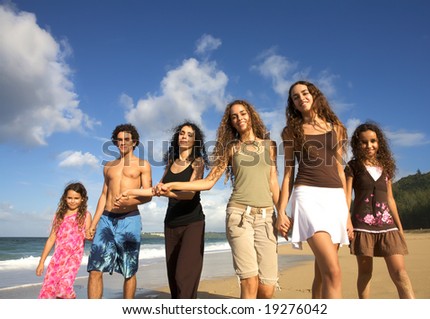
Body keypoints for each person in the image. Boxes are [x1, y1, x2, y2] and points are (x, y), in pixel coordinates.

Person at [158, 100, 284, 299]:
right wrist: (174, 184)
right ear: (231, 122)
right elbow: (208, 183)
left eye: (242, 113)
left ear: (250, 114)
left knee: (267, 288)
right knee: (249, 280)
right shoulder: (231, 148)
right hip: (239, 215)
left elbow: (273, 182)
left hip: (267, 217)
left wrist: (282, 212)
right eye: (234, 116)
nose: (239, 118)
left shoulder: (269, 146)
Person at [277, 80, 352, 299]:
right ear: (292, 104)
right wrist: (281, 211)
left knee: (322, 272)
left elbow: (340, 169)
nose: (301, 98)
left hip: (335, 198)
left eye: (304, 93)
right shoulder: (291, 131)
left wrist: (347, 214)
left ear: (314, 94)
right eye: (295, 97)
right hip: (307, 196)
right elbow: (288, 172)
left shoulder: (336, 128)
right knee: (334, 271)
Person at [118, 121, 209, 298]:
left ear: (195, 141)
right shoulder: (170, 162)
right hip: (171, 223)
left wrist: (167, 192)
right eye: (182, 133)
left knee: (184, 276)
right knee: (173, 278)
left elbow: (189, 193)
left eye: (190, 135)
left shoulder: (198, 162)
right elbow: (157, 189)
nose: (185, 136)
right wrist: (130, 192)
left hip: (192, 222)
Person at [345, 121, 415, 298]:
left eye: (373, 141)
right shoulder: (352, 167)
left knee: (400, 273)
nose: (369, 145)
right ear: (357, 144)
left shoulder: (386, 168)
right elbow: (346, 197)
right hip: (362, 227)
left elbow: (390, 199)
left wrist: (399, 227)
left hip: (388, 227)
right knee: (365, 273)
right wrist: (347, 223)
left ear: (379, 142)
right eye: (364, 142)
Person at [86, 123, 152, 299]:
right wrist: (93, 224)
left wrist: (129, 199)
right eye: (119, 140)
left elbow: (148, 194)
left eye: (126, 140)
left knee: (129, 270)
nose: (122, 143)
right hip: (106, 220)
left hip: (130, 219)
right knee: (94, 268)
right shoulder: (108, 166)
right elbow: (103, 195)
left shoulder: (142, 165)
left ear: (134, 142)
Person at [36, 182, 92, 299]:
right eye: (69, 198)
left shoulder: (85, 215)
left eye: (76, 198)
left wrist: (92, 234)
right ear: (65, 198)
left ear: (82, 199)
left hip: (73, 258)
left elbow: (89, 236)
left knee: (63, 288)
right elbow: (51, 238)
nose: (72, 201)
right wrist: (41, 262)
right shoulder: (59, 216)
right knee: (49, 289)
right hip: (57, 258)